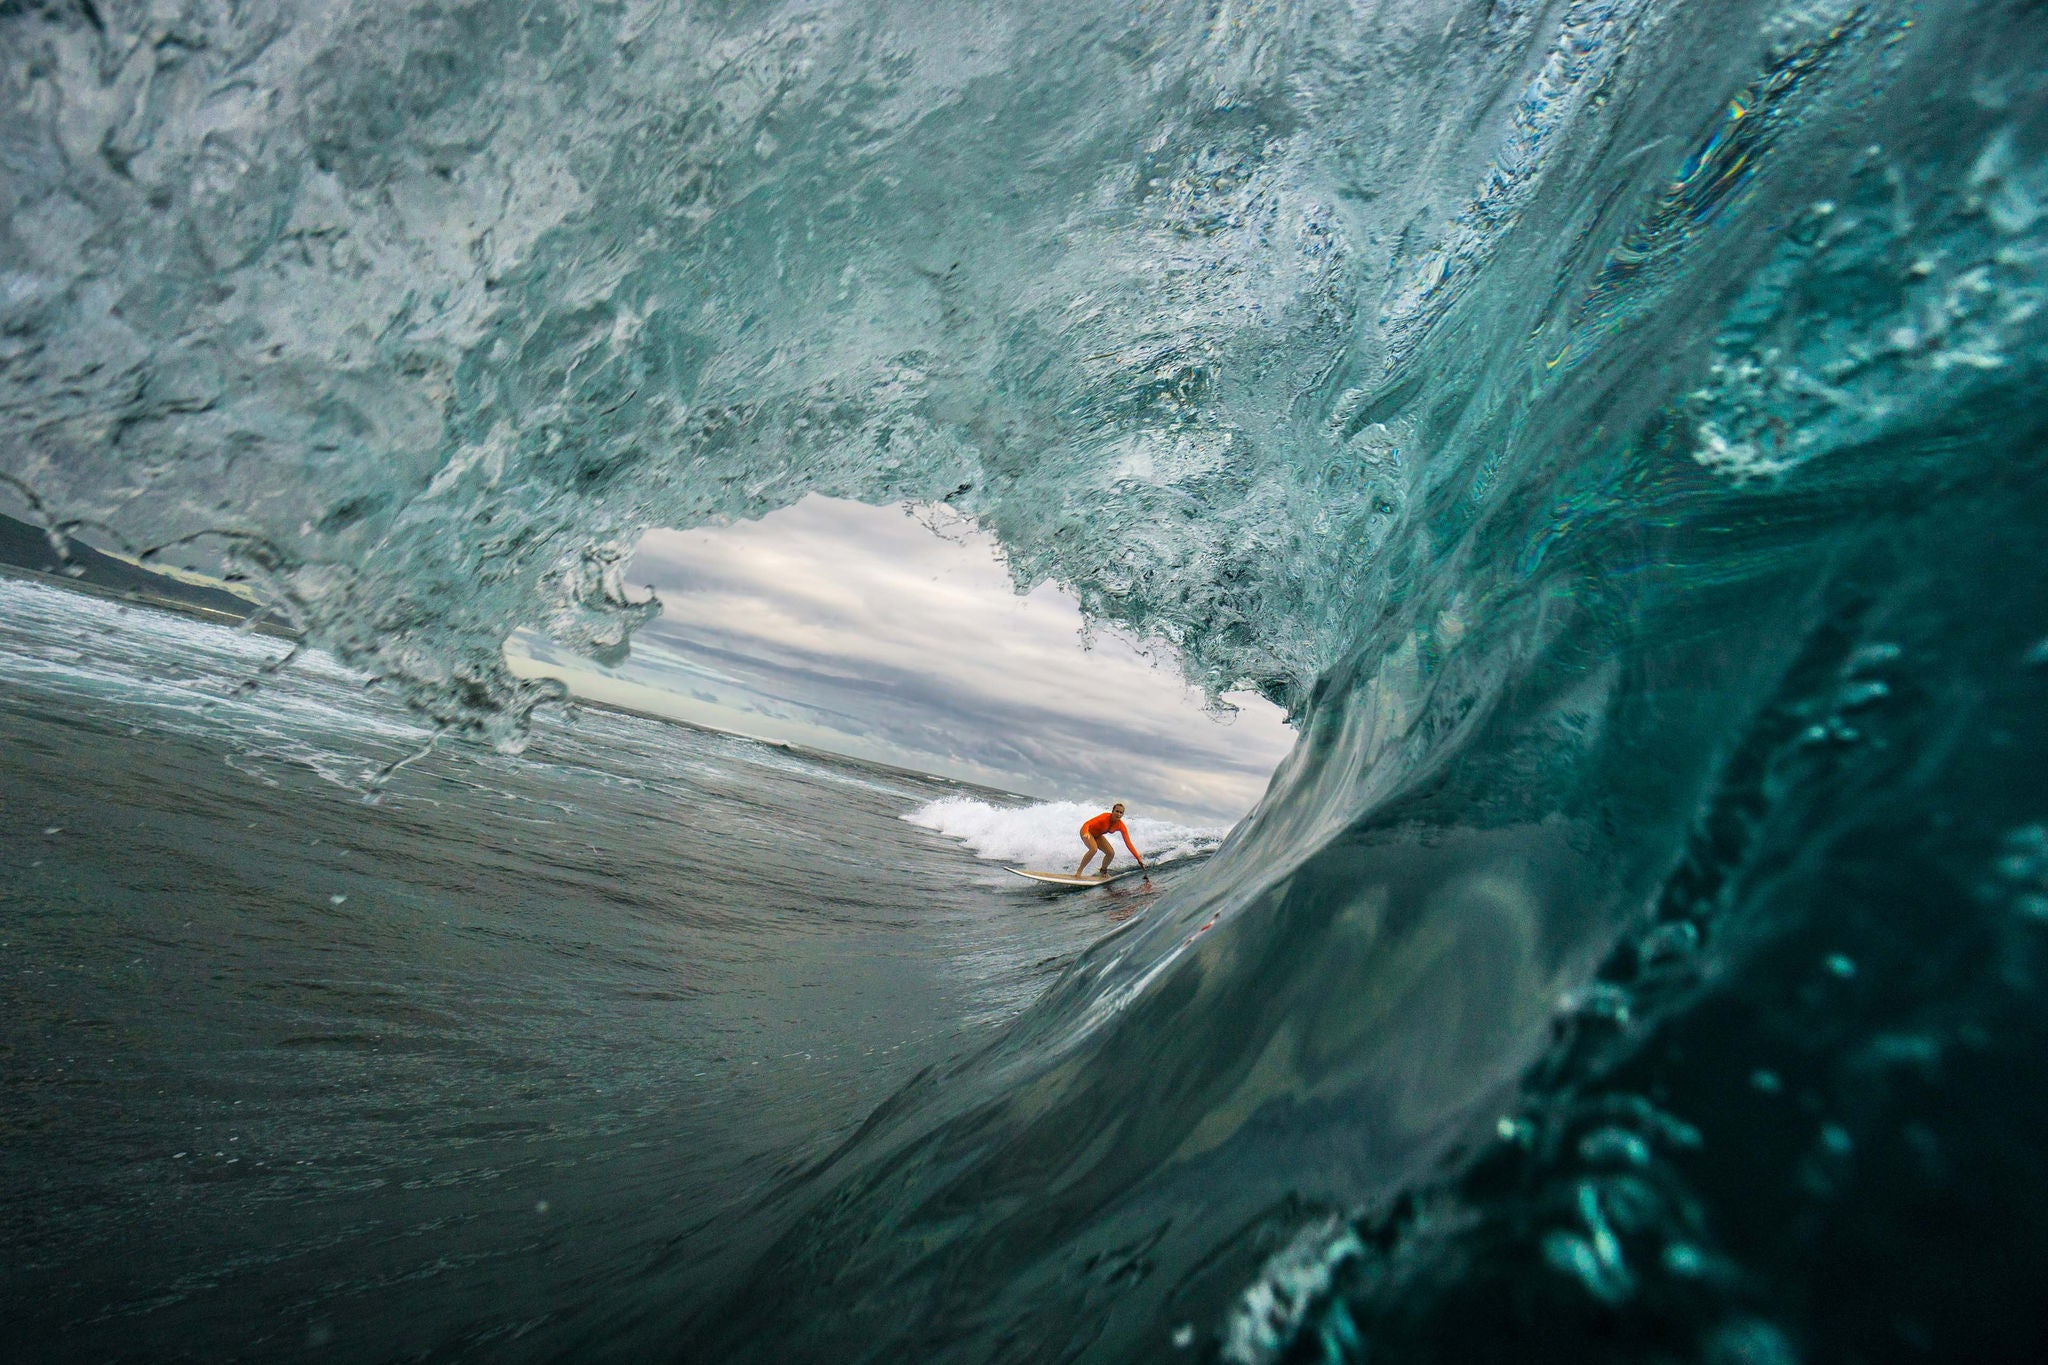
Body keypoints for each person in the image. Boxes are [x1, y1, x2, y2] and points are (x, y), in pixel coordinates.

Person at [1076, 803, 1145, 875]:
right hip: (1086, 832)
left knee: (1111, 853)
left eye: (1121, 812)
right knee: (1094, 849)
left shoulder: (1121, 825)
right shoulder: (1104, 817)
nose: (1118, 814)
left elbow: (1128, 843)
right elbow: (1087, 824)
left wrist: (1139, 859)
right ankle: (1079, 872)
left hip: (1097, 836)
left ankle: (1103, 871)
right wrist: (1086, 832)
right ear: (1112, 811)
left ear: (1122, 815)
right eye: (1117, 811)